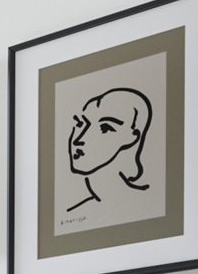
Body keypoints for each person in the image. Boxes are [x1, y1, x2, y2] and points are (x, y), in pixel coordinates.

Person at [62, 85, 153, 213]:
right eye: (80, 124)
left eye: (105, 128)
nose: (79, 139)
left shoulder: (145, 207)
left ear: (132, 137)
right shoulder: (77, 213)